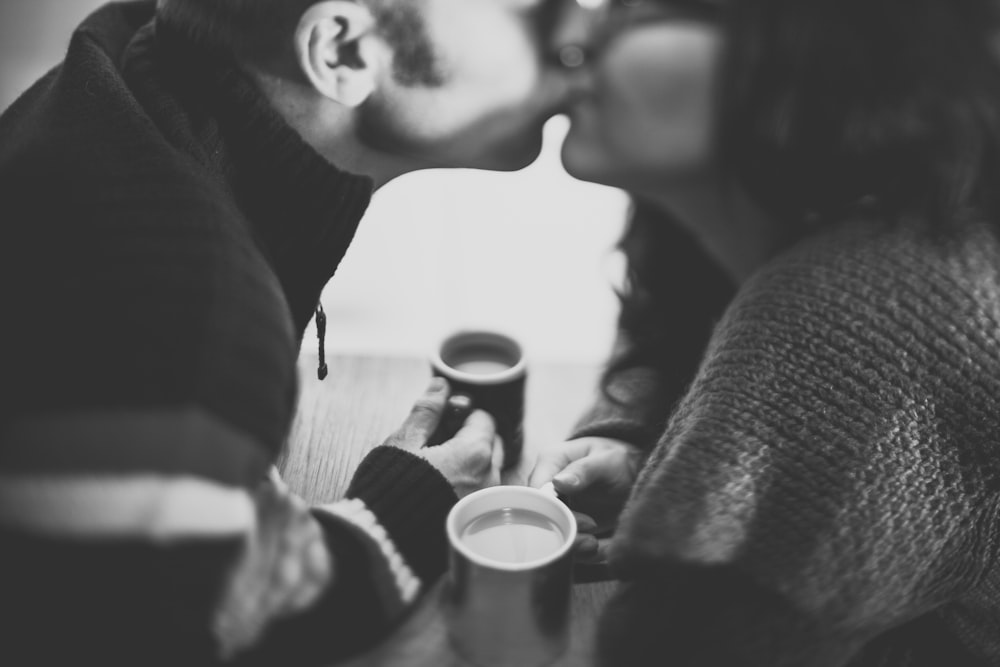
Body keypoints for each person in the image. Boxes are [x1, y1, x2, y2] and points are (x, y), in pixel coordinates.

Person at [0, 0, 572, 664]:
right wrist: (403, 512)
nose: (574, 20)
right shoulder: (194, 318)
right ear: (342, 50)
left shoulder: (124, 56)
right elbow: (169, 622)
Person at [531, 0, 1000, 663]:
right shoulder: (768, 213)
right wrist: (634, 433)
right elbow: (666, 327)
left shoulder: (862, 309)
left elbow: (672, 650)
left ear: (807, 40)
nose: (575, 32)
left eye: (638, 10)